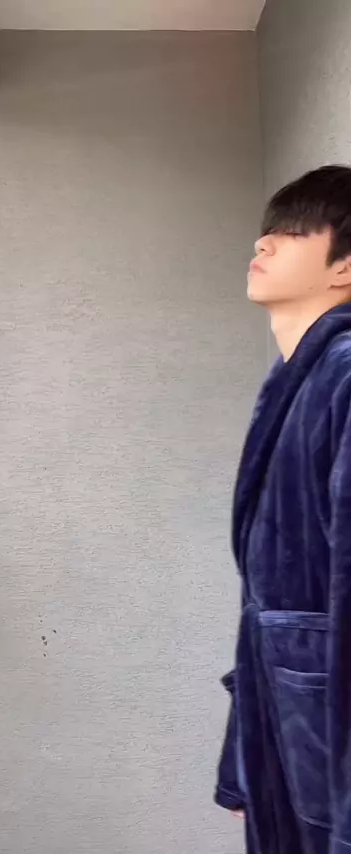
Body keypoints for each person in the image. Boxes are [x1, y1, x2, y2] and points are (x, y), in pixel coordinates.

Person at [215, 165, 351, 854]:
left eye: (293, 231)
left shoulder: (345, 377)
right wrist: (245, 765)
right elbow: (266, 613)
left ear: (345, 266)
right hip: (291, 748)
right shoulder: (293, 380)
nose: (264, 243)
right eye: (266, 230)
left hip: (329, 761)